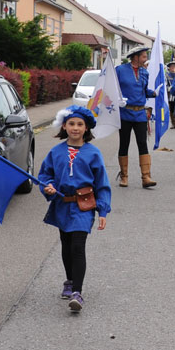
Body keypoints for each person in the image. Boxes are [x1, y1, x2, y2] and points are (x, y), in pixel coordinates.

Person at [38, 105, 111, 313]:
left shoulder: (93, 153)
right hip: (63, 204)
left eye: (80, 124)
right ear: (64, 126)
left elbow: (102, 184)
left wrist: (103, 210)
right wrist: (48, 186)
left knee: (78, 246)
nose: (76, 128)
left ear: (87, 128)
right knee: (67, 244)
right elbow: (44, 175)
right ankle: (69, 280)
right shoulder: (56, 152)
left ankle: (77, 292)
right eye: (71, 124)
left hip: (83, 206)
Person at [115, 45, 162, 188]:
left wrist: (153, 93)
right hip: (125, 113)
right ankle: (124, 177)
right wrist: (118, 99)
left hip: (140, 113)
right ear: (135, 57)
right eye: (143, 56)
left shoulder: (144, 72)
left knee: (142, 143)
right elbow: (112, 87)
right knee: (124, 144)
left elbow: (142, 90)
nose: (146, 59)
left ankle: (146, 177)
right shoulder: (120, 70)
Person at [165, 60, 175, 129]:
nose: (173, 67)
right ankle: (173, 123)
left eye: (174, 66)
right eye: (172, 66)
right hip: (171, 95)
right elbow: (165, 84)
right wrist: (168, 88)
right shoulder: (167, 75)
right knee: (172, 109)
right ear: (169, 67)